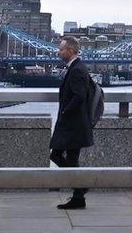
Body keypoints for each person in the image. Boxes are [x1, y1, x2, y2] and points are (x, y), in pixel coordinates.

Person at [50, 36, 94, 210]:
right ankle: (79, 190)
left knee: (64, 157)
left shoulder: (77, 70)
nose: (58, 52)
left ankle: (79, 192)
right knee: (61, 156)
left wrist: (65, 111)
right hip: (73, 123)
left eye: (61, 49)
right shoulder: (76, 68)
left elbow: (79, 96)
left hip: (73, 124)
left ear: (71, 51)